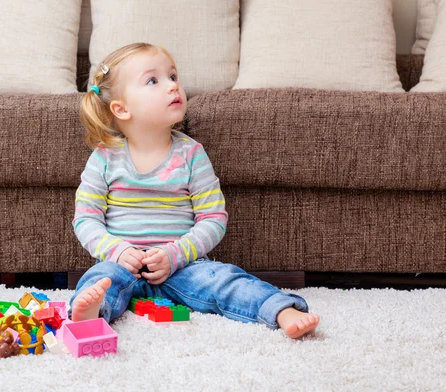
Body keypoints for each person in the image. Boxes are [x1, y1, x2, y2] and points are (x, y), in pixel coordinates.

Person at [70, 42, 319, 339]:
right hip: (121, 265)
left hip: (182, 267)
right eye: (153, 80)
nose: (173, 87)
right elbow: (86, 219)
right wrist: (118, 251)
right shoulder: (105, 157)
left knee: (224, 279)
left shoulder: (191, 154)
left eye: (173, 77)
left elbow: (213, 218)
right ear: (121, 109)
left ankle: (281, 310)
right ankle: (90, 313)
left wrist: (175, 254)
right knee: (100, 279)